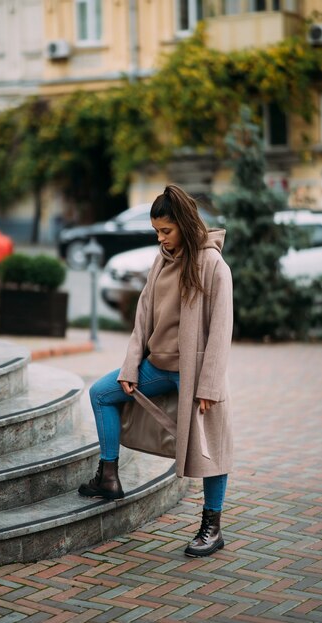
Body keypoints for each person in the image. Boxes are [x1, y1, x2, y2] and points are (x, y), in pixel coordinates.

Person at [78, 184, 233, 558]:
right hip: (157, 367)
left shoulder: (212, 265)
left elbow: (221, 329)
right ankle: (109, 477)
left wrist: (209, 386)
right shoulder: (162, 258)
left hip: (196, 373)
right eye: (157, 232)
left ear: (183, 223)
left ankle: (211, 526)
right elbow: (143, 315)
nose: (161, 238)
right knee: (101, 393)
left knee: (212, 447)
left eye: (166, 231)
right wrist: (131, 366)